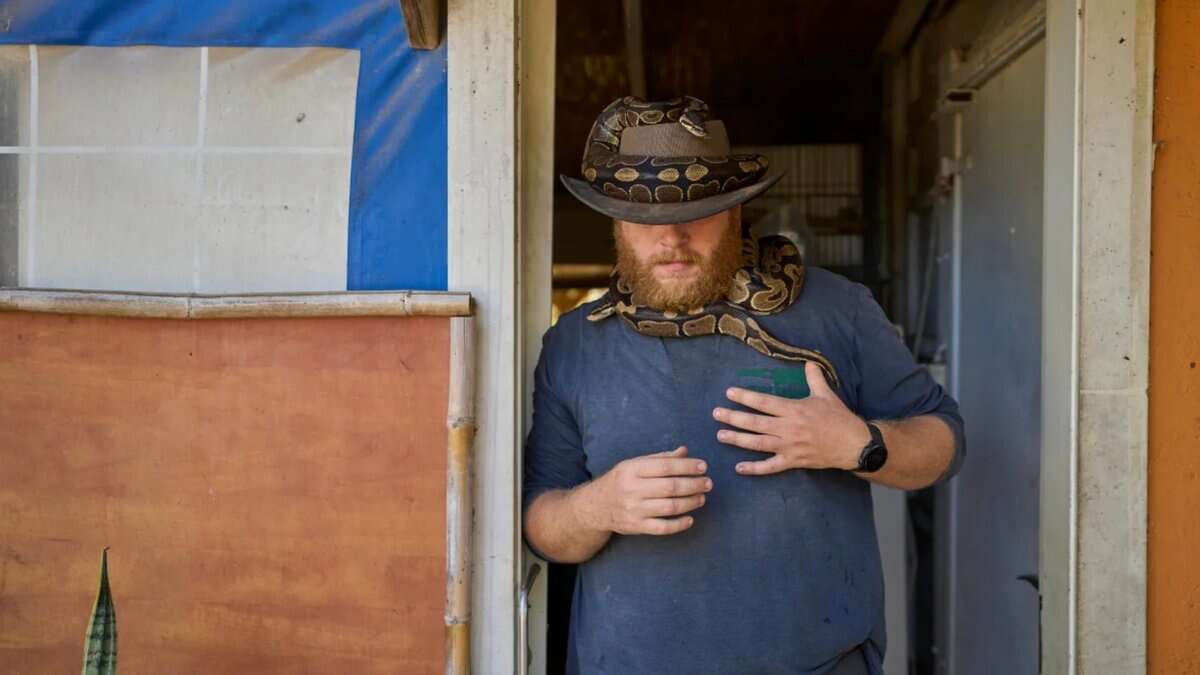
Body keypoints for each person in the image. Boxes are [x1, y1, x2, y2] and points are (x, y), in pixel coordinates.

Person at [523, 96, 965, 675]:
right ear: (615, 222)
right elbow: (540, 525)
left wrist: (860, 445)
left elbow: (944, 443)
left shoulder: (838, 309)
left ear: (734, 211)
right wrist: (597, 506)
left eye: (698, 211)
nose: (672, 237)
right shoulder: (574, 343)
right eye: (645, 218)